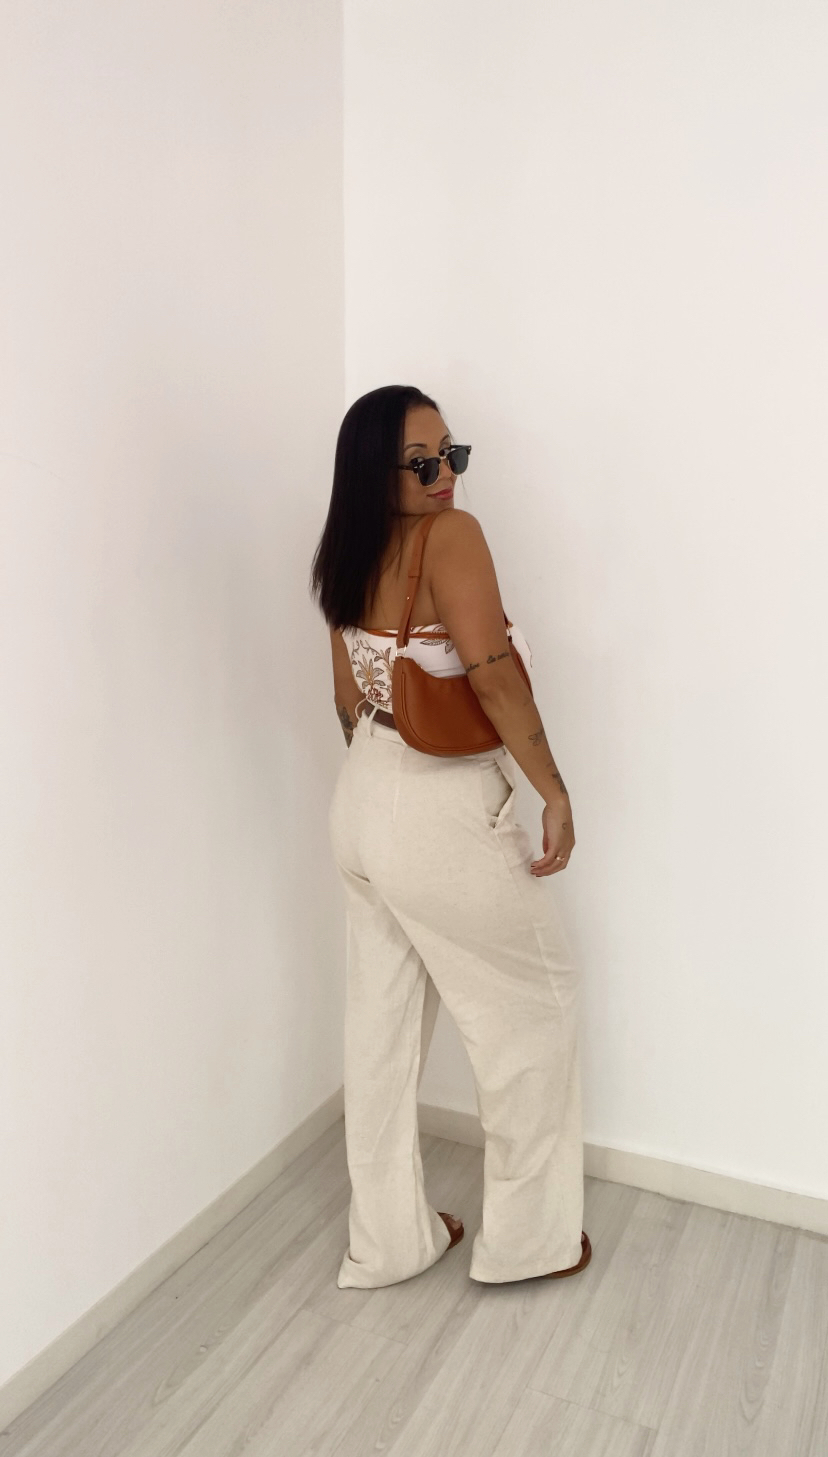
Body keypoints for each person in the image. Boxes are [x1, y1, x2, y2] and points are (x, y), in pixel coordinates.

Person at [309, 384, 591, 1288]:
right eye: (422, 462)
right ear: (376, 473)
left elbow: (347, 696)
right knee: (534, 1006)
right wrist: (552, 789)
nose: (444, 476)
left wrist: (380, 783)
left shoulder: (344, 549)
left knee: (380, 1029)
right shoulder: (452, 538)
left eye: (452, 455)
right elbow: (493, 674)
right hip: (436, 807)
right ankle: (529, 1242)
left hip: (361, 797)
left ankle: (388, 1241)